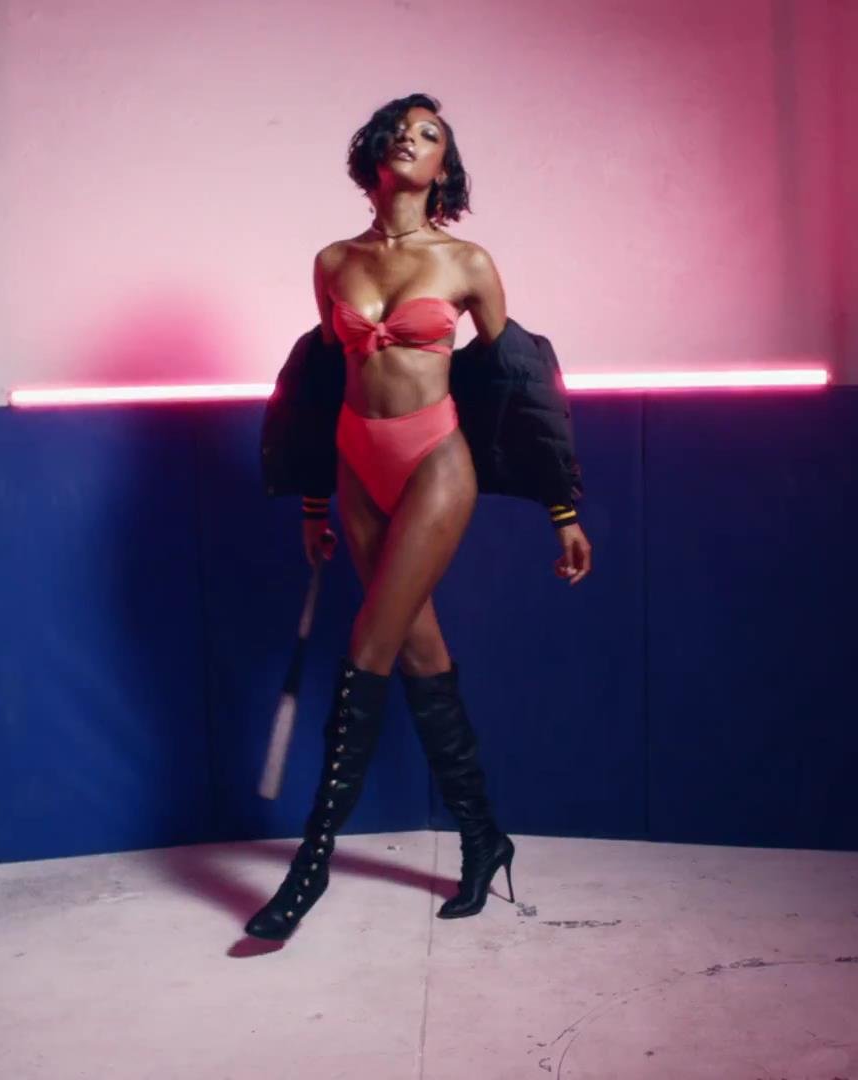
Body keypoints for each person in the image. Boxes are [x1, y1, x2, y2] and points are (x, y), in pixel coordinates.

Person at [247, 93, 592, 941]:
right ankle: (484, 837)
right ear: (375, 152)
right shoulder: (334, 261)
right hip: (354, 464)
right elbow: (321, 384)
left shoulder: (467, 261)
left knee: (369, 643)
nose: (412, 139)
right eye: (400, 129)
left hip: (435, 459)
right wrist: (316, 502)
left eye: (430, 134)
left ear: (444, 168)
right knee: (418, 648)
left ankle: (310, 865)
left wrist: (562, 507)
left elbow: (520, 387)